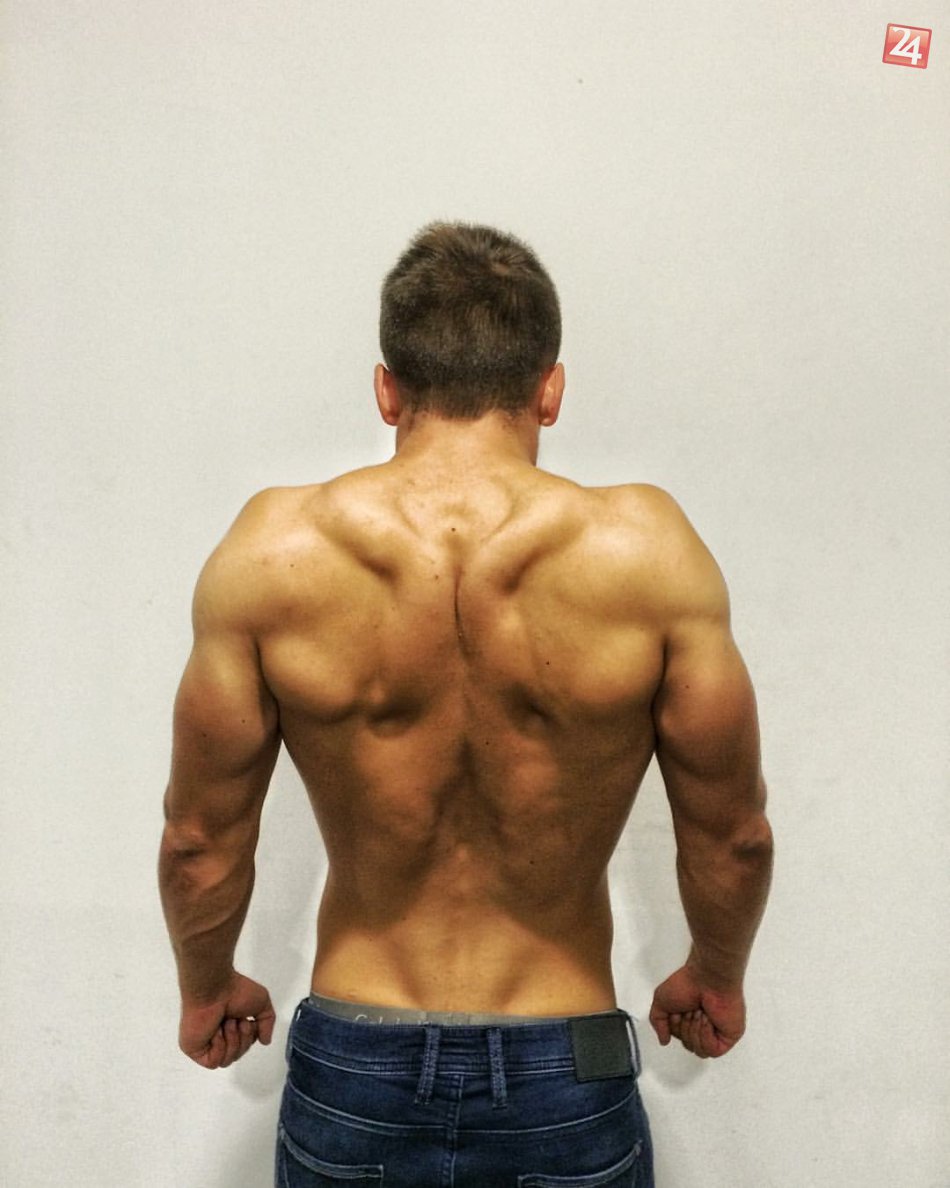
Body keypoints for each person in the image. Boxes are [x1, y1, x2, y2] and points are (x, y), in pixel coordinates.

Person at [159, 222, 773, 1187]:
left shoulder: (274, 550)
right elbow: (734, 836)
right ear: (550, 390)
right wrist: (715, 975)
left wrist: (206, 990)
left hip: (356, 1056)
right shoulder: (648, 553)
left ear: (387, 389)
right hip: (565, 1053)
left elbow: (199, 839)